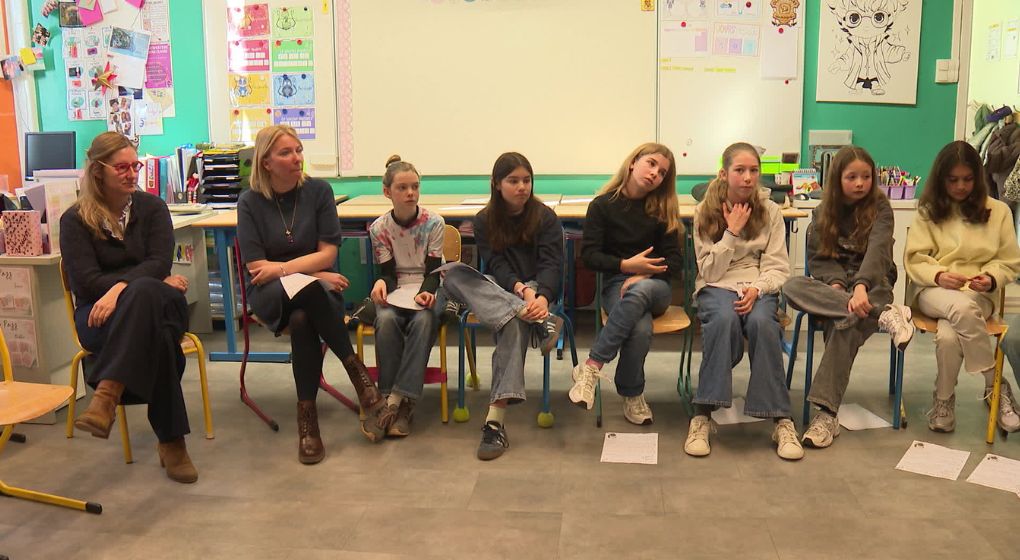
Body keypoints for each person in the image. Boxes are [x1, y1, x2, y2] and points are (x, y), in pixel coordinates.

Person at [236, 124, 387, 465]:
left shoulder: (318, 191)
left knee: (303, 318)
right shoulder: (249, 202)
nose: (297, 158)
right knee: (309, 293)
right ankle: (358, 375)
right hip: (270, 293)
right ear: (266, 162)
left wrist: (291, 269)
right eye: (286, 153)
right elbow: (258, 268)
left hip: (312, 294)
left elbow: (328, 253)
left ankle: (309, 423)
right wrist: (314, 273)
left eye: (299, 150)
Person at [60, 131, 198, 483]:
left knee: (147, 293)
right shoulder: (74, 220)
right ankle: (172, 442)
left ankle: (107, 394)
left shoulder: (153, 208)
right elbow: (86, 282)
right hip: (99, 315)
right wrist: (145, 283)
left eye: (135, 166)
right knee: (160, 337)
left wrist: (122, 287)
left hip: (153, 305)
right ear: (98, 171)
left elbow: (160, 262)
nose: (132, 173)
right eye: (121, 167)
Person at [782, 145, 914, 448]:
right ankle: (885, 314)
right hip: (837, 290)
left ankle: (826, 415)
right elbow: (819, 258)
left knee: (845, 324)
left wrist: (861, 287)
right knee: (792, 286)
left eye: (866, 177)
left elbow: (879, 252)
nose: (860, 183)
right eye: (852, 177)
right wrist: (837, 285)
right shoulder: (822, 211)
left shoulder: (882, 208)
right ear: (837, 178)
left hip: (875, 283)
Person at [440, 152, 563, 460]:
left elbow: (551, 265)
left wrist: (540, 297)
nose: (522, 187)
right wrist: (520, 293)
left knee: (513, 325)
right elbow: (495, 264)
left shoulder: (545, 217)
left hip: (538, 290)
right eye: (513, 181)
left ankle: (494, 423)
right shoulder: (484, 220)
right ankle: (536, 319)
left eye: (526, 180)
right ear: (496, 184)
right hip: (504, 289)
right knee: (452, 274)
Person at [687, 142, 801, 460]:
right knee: (723, 321)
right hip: (716, 284)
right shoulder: (704, 211)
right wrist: (731, 233)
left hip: (756, 285)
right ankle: (702, 414)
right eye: (740, 170)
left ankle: (781, 419)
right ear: (724, 174)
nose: (748, 177)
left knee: (764, 323)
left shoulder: (771, 211)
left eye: (754, 170)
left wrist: (758, 289)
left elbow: (777, 266)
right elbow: (709, 271)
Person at [904, 140, 1020, 433]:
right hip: (932, 291)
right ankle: (996, 384)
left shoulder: (999, 211)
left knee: (948, 336)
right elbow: (915, 259)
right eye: (953, 180)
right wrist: (939, 275)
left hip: (977, 293)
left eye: (968, 179)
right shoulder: (928, 211)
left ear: (978, 177)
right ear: (941, 179)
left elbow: (1009, 262)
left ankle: (943, 400)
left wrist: (991, 278)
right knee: (962, 308)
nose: (960, 186)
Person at [568, 142, 683, 426]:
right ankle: (632, 394)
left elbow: (676, 262)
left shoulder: (662, 210)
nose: (655, 173)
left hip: (656, 285)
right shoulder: (602, 206)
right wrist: (625, 266)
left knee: (639, 289)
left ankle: (592, 365)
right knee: (640, 329)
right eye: (651, 164)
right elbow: (590, 256)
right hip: (616, 285)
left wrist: (643, 274)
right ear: (633, 163)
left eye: (662, 172)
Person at [367, 155, 446, 437]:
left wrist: (426, 293)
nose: (411, 193)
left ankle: (396, 403)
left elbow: (434, 271)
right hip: (398, 288)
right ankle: (396, 401)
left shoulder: (434, 223)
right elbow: (388, 273)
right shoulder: (379, 229)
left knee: (424, 320)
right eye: (402, 187)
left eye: (415, 186)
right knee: (386, 319)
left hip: (429, 285)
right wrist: (381, 282)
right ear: (387, 192)